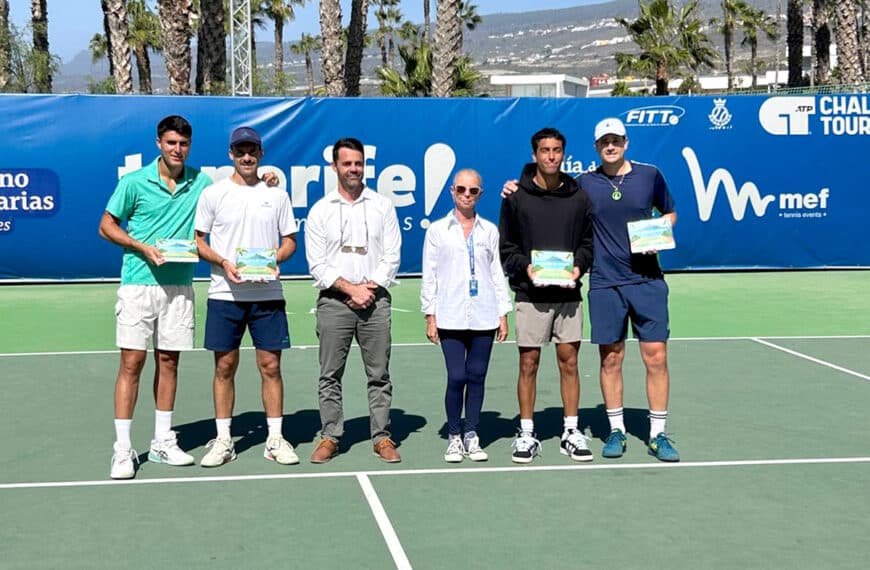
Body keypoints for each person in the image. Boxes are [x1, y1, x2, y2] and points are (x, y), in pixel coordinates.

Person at [99, 115, 211, 479]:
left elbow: (231, 199)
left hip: (179, 287)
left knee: (169, 363)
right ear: (158, 144)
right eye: (171, 143)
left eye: (183, 144)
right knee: (131, 364)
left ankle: (163, 441)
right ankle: (122, 450)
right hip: (138, 285)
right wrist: (141, 247)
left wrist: (267, 181)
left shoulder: (202, 182)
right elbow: (106, 225)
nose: (177, 149)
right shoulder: (133, 182)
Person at [193, 126, 300, 467]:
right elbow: (199, 241)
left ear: (261, 153)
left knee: (270, 365)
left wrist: (275, 259)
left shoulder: (277, 195)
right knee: (224, 366)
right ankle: (224, 439)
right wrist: (223, 262)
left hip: (267, 293)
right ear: (231, 155)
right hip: (225, 293)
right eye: (240, 150)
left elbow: (290, 242)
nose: (246, 156)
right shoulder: (214, 194)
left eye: (252, 149)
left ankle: (275, 438)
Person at [581, 118, 680, 462]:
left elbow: (670, 213)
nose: (611, 146)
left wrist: (660, 234)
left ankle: (657, 434)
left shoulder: (649, 175)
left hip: (648, 282)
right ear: (596, 147)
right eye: (604, 141)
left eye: (616, 140)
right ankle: (616, 431)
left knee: (657, 357)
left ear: (626, 142)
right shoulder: (584, 184)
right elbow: (550, 199)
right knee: (610, 359)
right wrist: (513, 188)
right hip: (605, 283)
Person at [498, 127, 594, 464]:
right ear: (534, 154)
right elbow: (507, 248)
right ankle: (526, 433)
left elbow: (586, 244)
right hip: (529, 295)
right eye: (544, 150)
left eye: (556, 150)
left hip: (569, 296)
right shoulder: (515, 197)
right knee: (529, 363)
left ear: (563, 154)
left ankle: (570, 430)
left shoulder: (579, 197)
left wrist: (579, 267)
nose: (550, 156)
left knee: (570, 362)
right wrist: (526, 269)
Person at [305, 138, 402, 464]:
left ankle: (382, 437)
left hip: (375, 301)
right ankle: (331, 436)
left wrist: (369, 289)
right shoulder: (321, 210)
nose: (353, 169)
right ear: (334, 167)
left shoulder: (382, 205)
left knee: (379, 375)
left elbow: (392, 255)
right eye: (346, 164)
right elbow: (317, 265)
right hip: (334, 303)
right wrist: (350, 289)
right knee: (330, 374)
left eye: (358, 163)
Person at [421, 169, 511, 463]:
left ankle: (471, 433)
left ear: (480, 194)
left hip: (484, 314)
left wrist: (503, 312)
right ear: (452, 191)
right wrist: (430, 316)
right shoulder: (437, 230)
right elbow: (429, 276)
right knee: (456, 376)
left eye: (473, 191)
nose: (467, 195)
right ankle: (454, 435)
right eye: (461, 190)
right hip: (450, 315)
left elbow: (496, 272)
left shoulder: (489, 231)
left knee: (477, 376)